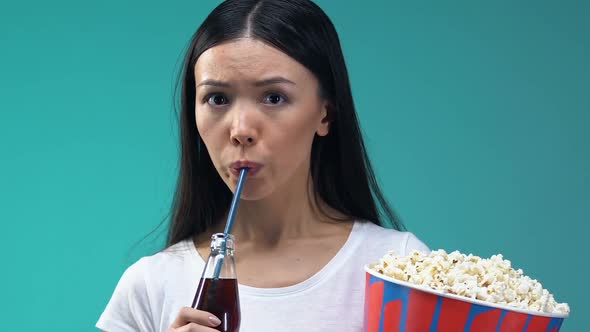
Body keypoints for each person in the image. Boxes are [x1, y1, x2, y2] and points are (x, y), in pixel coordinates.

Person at [96, 0, 429, 331]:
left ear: (325, 113)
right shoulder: (149, 287)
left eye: (273, 97)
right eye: (218, 99)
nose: (241, 130)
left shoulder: (401, 271)